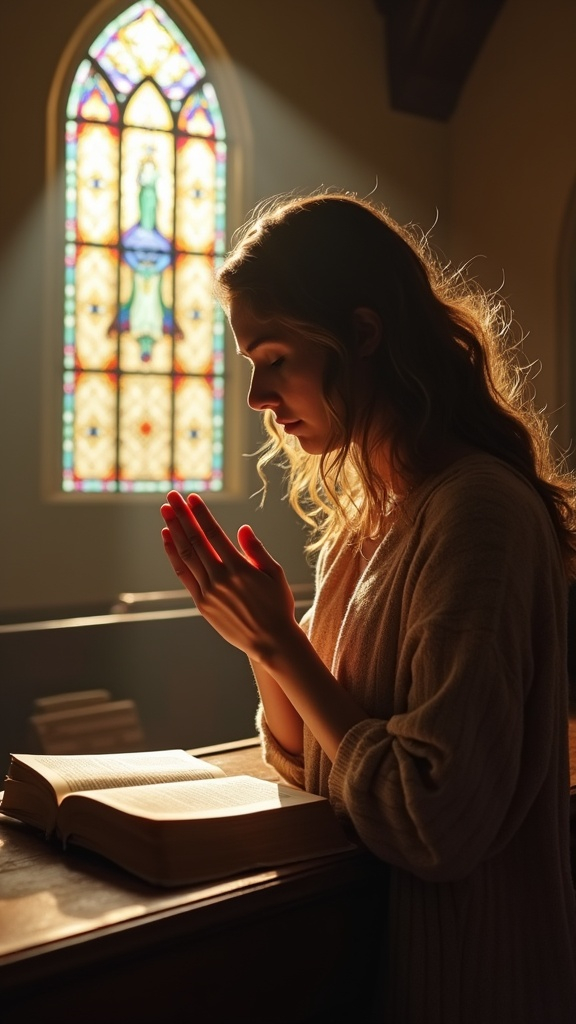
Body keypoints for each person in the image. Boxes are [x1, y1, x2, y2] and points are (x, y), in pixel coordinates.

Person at [160, 191, 576, 1023]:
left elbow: (435, 822)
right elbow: (315, 767)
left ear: (362, 334)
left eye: (274, 357)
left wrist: (286, 648)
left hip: (468, 977)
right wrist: (259, 638)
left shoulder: (477, 514)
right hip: (360, 953)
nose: (256, 396)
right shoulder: (371, 523)